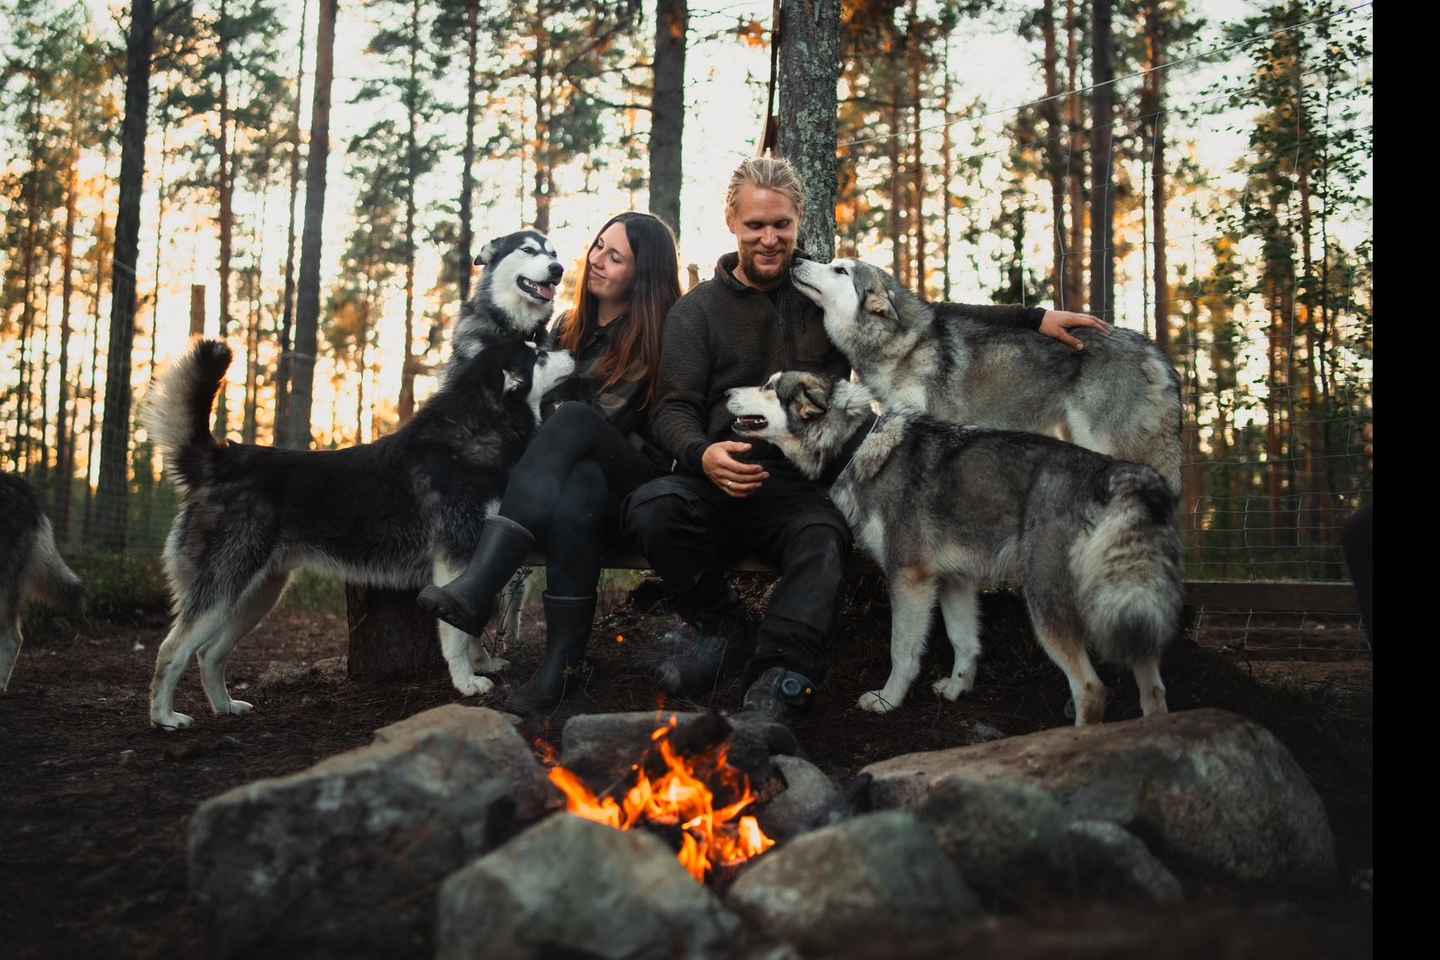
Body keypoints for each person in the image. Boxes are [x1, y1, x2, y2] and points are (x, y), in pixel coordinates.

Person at [621, 155, 1111, 722]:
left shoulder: (820, 292)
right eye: (756, 225)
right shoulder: (696, 312)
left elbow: (922, 314)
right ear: (732, 222)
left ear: (798, 220)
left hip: (797, 481)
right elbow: (671, 407)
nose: (770, 238)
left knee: (824, 539)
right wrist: (702, 453)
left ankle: (779, 678)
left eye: (781, 223)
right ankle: (722, 625)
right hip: (715, 474)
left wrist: (1032, 318)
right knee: (653, 509)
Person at [419, 212, 682, 713]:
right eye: (598, 246)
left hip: (636, 488)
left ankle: (482, 580)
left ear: (642, 272)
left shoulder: (661, 333)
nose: (596, 261)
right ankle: (562, 666)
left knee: (577, 421)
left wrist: (551, 410)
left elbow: (597, 418)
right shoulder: (566, 327)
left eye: (616, 256)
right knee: (577, 480)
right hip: (576, 492)